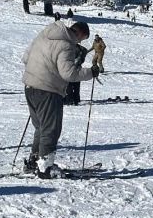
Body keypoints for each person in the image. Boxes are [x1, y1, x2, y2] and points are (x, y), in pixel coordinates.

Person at [21, 21, 98, 178]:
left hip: (30, 87)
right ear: (80, 34)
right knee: (50, 129)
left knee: (41, 127)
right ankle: (45, 168)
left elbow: (25, 58)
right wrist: (91, 72)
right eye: (83, 39)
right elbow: (68, 74)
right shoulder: (66, 45)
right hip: (48, 91)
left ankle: (34, 161)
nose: (80, 42)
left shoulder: (44, 34)